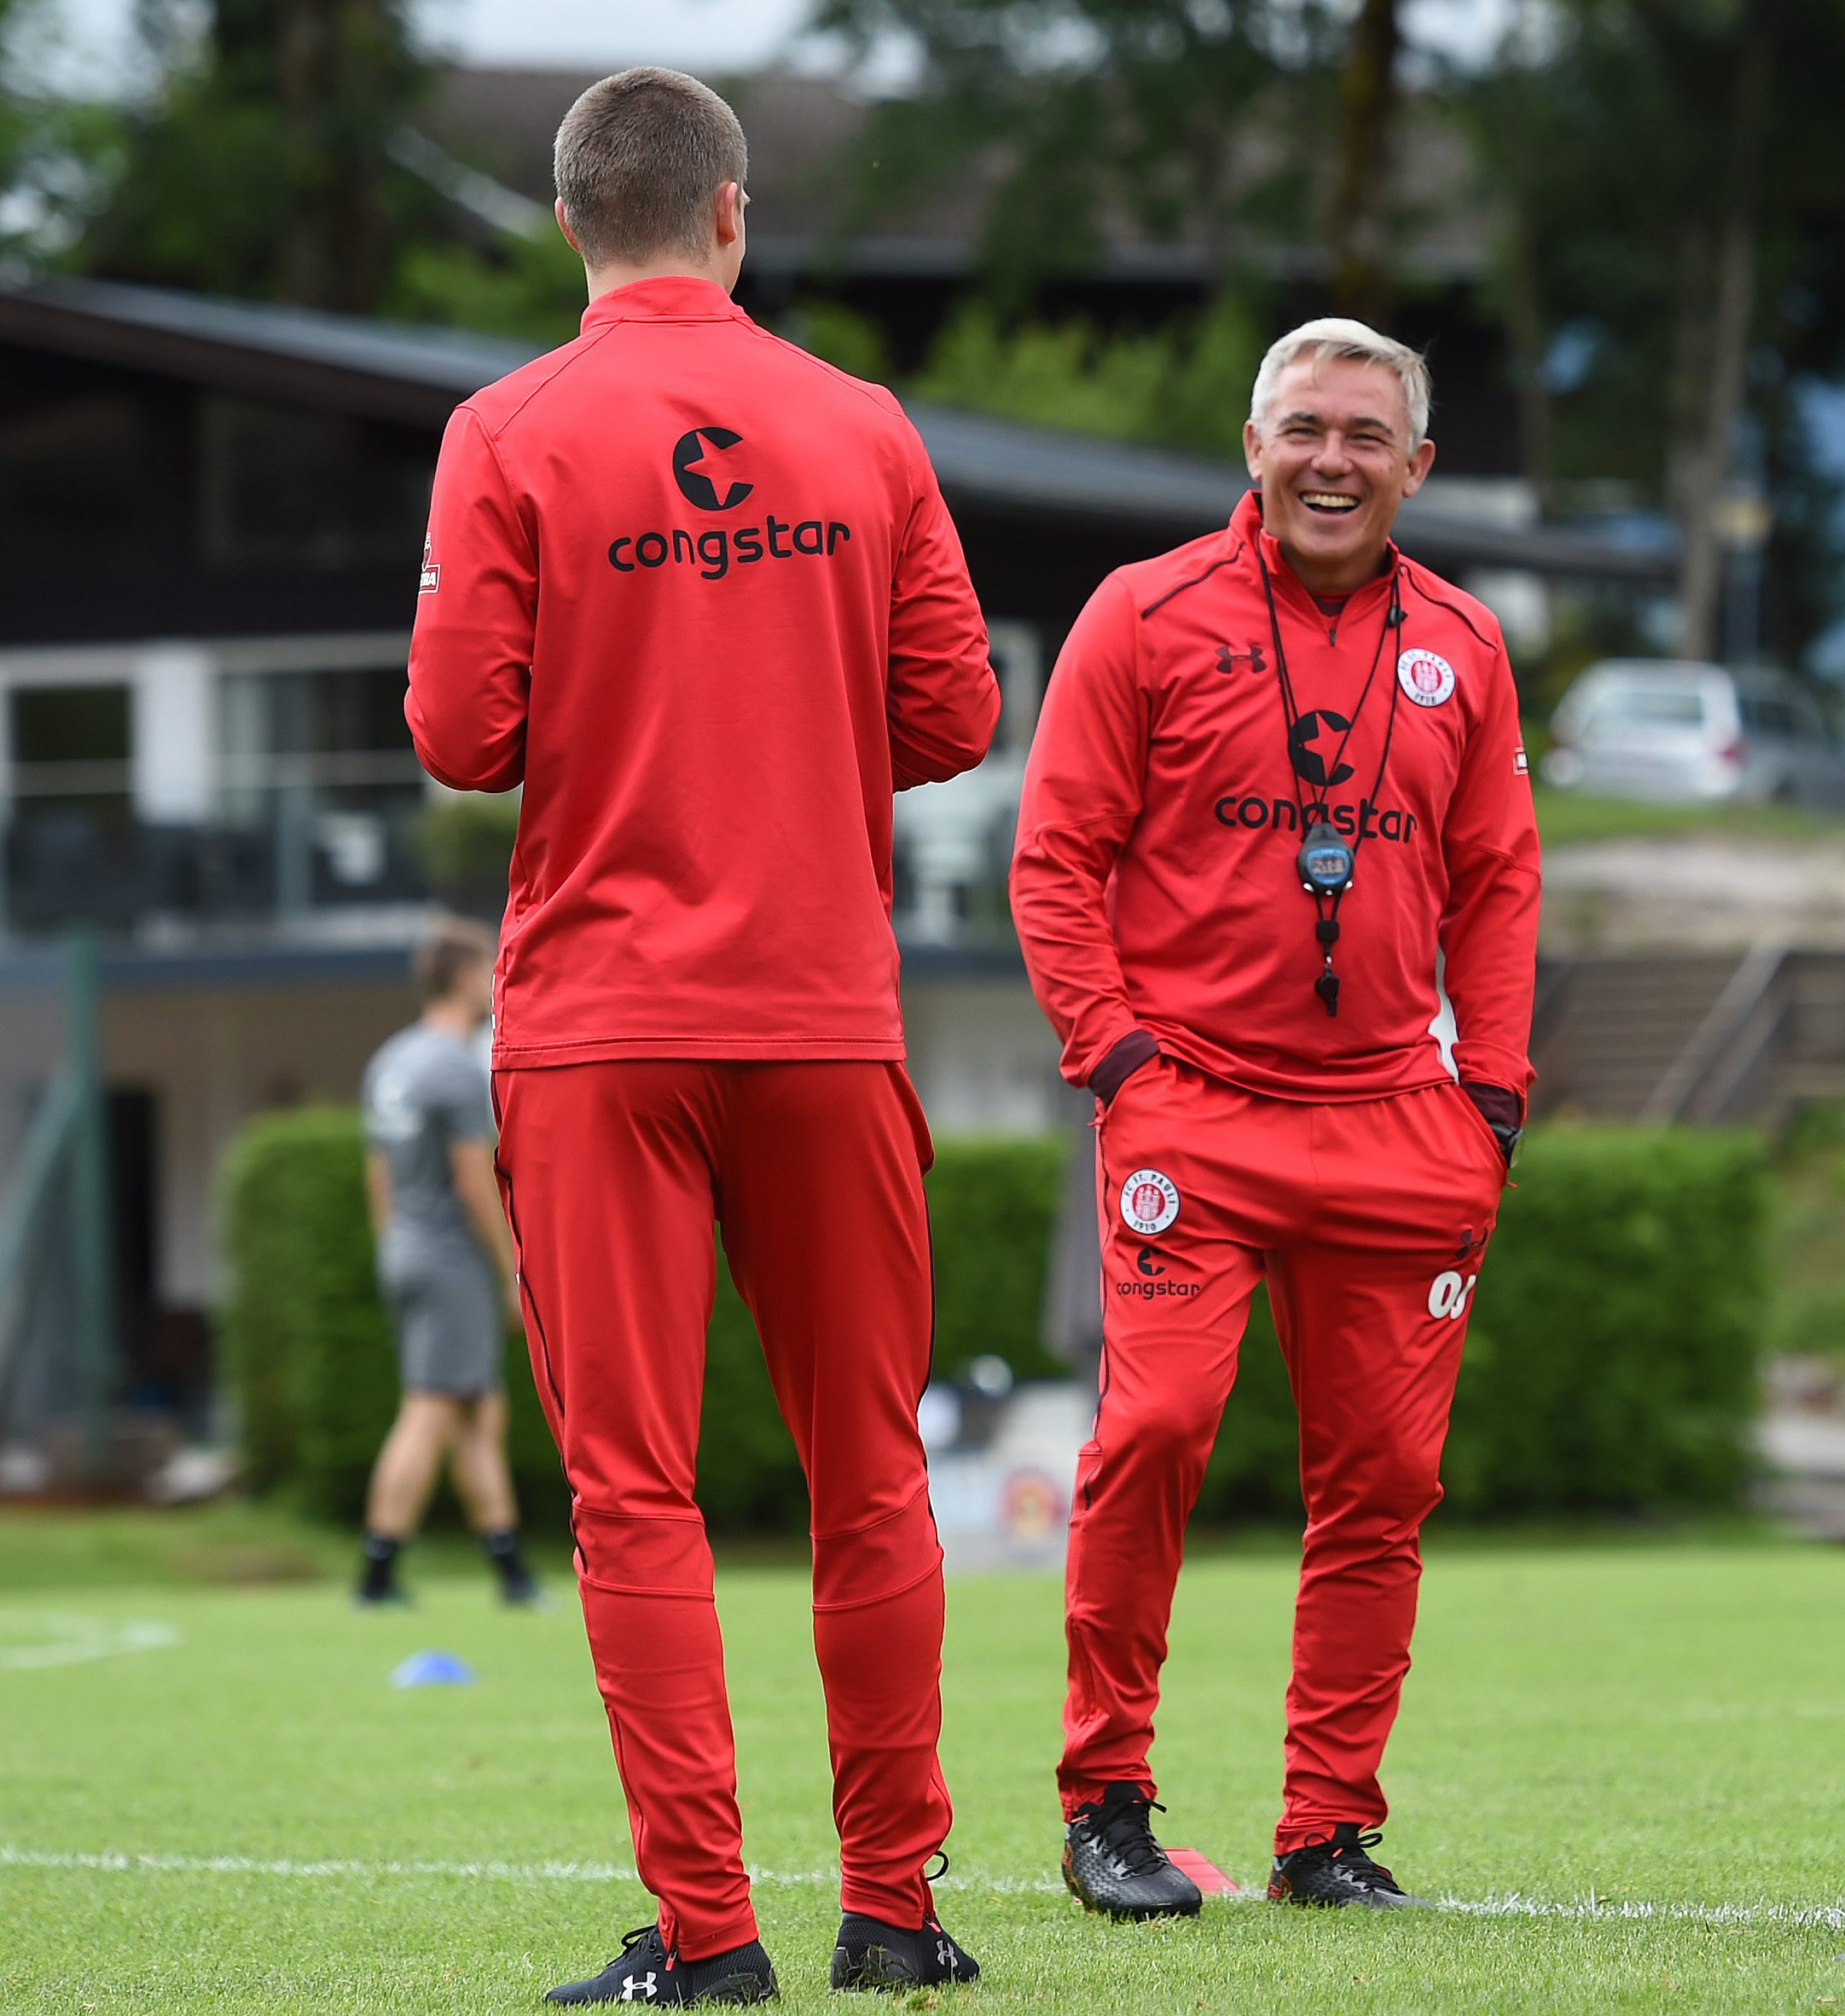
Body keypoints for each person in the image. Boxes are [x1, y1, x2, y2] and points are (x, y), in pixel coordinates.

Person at [406, 66, 999, 2002]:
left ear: (574, 222)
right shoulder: (862, 421)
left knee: (635, 1489)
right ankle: (895, 1915)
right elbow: (955, 713)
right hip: (823, 1014)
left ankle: (709, 1933)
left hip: (598, 1026)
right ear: (734, 212)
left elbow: (459, 733)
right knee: (868, 1467)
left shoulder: (507, 429)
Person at [1011, 317, 1538, 1920]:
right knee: (1155, 1430)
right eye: (1303, 426)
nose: (1331, 458)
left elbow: (1501, 878)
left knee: (1381, 1477)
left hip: (1395, 1119)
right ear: (1251, 445)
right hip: (1195, 1112)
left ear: (1417, 467)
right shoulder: (1143, 613)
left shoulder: (1464, 640)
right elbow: (1054, 861)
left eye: (1366, 435)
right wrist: (1119, 1066)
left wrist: (1491, 1097)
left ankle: (1325, 1828)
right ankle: (1107, 1797)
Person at [356, 914, 537, 1610]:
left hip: (405, 1249)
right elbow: (473, 1179)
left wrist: (389, 1245)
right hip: (450, 1259)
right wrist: (508, 1270)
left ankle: (510, 1570)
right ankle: (376, 1571)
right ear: (465, 978)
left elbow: (377, 1171)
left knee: (477, 1412)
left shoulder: (391, 1061)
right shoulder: (457, 1067)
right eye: (488, 968)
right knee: (431, 1410)